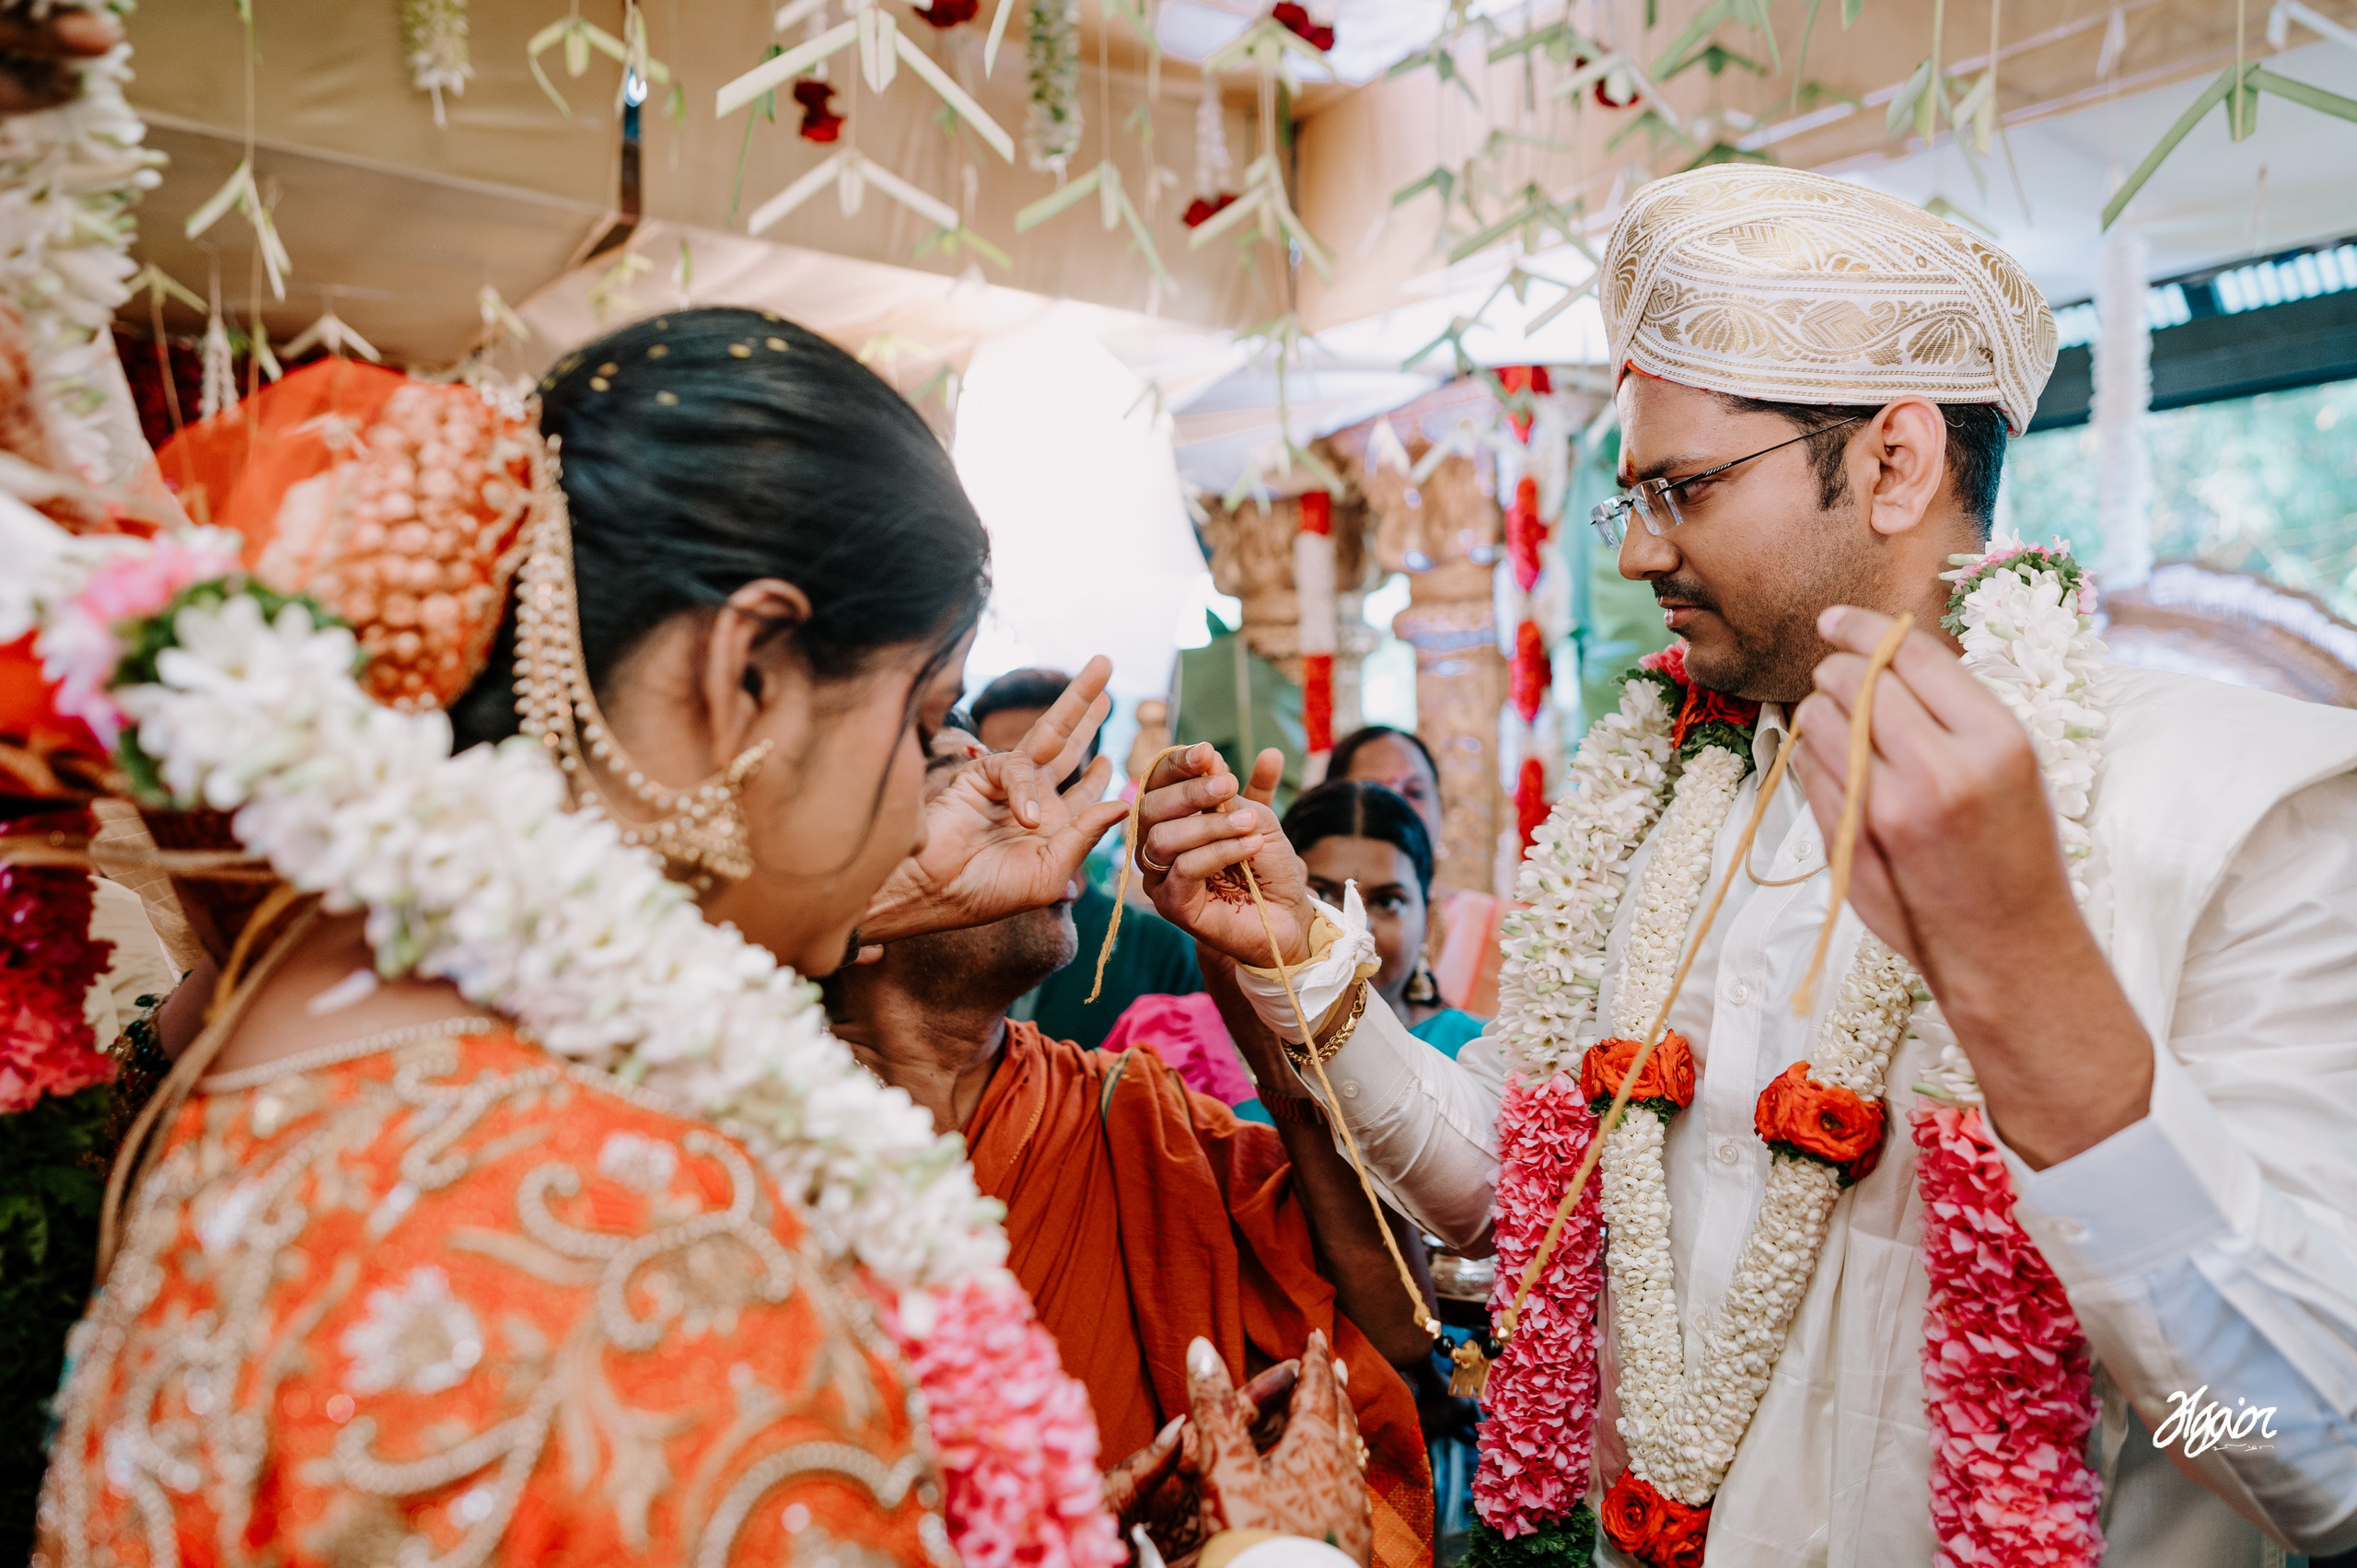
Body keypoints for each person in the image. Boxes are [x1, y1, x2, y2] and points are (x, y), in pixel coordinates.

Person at [1126, 166, 2357, 1567]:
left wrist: (2028, 974)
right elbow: (1526, 1183)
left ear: (1895, 462)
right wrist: (1302, 950)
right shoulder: (1668, 790)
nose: (1640, 550)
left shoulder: (2234, 802)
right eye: (1632, 498)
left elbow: (2314, 1449)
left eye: (1686, 487)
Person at [25, 312, 1372, 1567]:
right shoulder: (657, 1226)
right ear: (747, 672)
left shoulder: (307, 1050)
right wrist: (1276, 1553)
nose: (928, 797)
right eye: (922, 722)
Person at [824, 733, 1437, 1568]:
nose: (1048, 836)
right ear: (851, 890)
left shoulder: (1131, 1113)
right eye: (986, 810)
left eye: (1037, 801)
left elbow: (1397, 1326)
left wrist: (1268, 1015)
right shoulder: (738, 1128)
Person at [974, 668, 1207, 1049]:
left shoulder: (1160, 951)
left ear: (1092, 779)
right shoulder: (935, 940)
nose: (1029, 798)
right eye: (1002, 775)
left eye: (1059, 775)